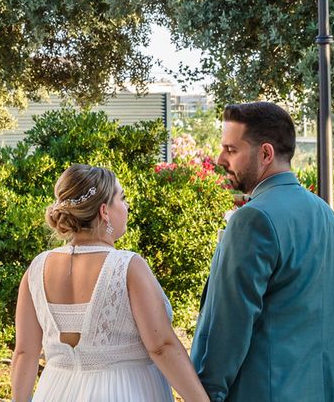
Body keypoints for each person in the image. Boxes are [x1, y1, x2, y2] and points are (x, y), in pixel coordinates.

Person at [190, 102, 334, 402]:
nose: (220, 158)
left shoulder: (252, 219)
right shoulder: (325, 214)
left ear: (266, 153)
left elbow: (229, 323)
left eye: (231, 149)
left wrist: (207, 392)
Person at [11, 164, 209, 402]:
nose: (126, 207)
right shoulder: (127, 266)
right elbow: (161, 347)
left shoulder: (37, 269)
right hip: (125, 391)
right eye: (122, 199)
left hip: (55, 391)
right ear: (104, 211)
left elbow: (24, 352)